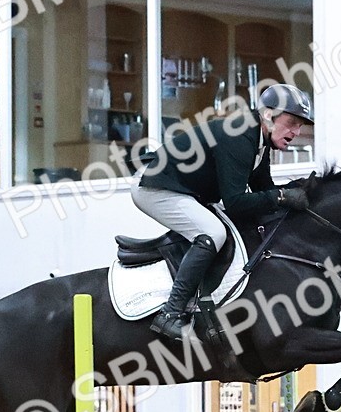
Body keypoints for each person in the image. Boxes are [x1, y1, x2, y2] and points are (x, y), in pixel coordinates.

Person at [131, 84, 315, 341]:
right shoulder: (241, 136)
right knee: (213, 232)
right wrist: (283, 197)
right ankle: (170, 314)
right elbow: (237, 202)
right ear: (269, 115)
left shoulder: (258, 141)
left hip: (182, 189)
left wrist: (295, 192)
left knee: (225, 227)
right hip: (154, 187)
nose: (296, 131)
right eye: (292, 122)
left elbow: (265, 190)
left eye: (300, 125)